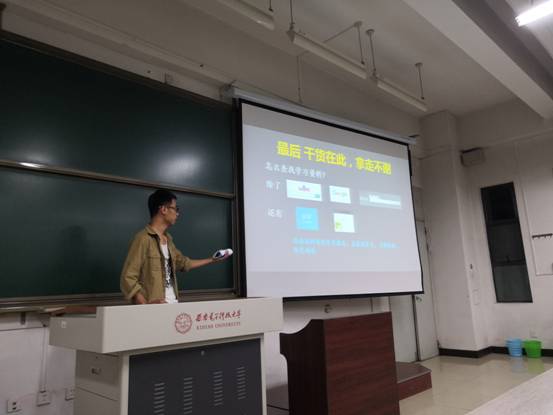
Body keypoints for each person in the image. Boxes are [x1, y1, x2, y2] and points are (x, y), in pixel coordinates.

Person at [120, 189, 230, 304]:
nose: (177, 213)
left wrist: (212, 259)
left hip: (173, 304)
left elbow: (183, 263)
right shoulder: (143, 238)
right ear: (163, 209)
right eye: (175, 209)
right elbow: (128, 277)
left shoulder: (169, 240)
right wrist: (146, 305)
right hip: (154, 308)